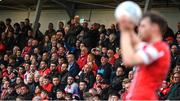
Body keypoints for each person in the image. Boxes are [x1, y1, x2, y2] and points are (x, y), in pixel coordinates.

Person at [118, 11, 170, 100]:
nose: (139, 29)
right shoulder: (152, 47)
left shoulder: (159, 48)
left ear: (155, 28)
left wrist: (125, 32)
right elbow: (137, 42)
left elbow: (129, 60)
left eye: (143, 26)